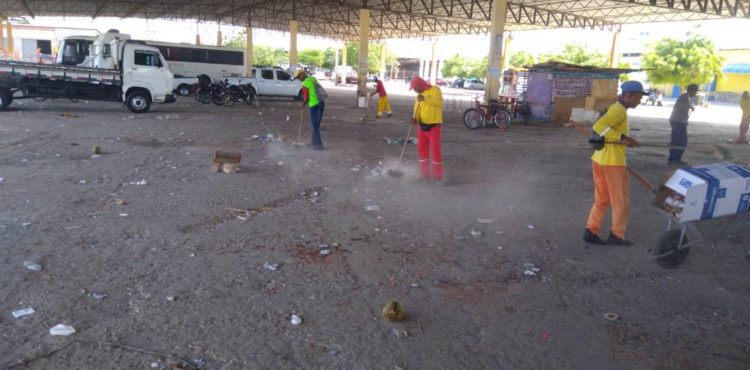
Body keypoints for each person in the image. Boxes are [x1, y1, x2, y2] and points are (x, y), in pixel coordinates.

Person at [583, 80, 644, 246]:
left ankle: (591, 230)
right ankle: (617, 235)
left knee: (602, 199)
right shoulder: (619, 110)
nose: (639, 101)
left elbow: (603, 129)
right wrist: (622, 138)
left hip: (600, 159)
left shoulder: (617, 109)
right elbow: (599, 125)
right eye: (638, 98)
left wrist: (624, 139)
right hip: (613, 163)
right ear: (628, 96)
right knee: (620, 202)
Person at [409, 76, 444, 185]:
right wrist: (415, 118)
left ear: (420, 85)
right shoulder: (418, 96)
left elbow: (438, 102)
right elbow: (417, 109)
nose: (414, 90)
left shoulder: (435, 90)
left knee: (435, 151)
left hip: (434, 126)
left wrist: (425, 98)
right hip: (422, 127)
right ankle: (424, 174)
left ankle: (438, 177)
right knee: (421, 149)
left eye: (415, 88)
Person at [668, 84, 698, 166]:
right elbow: (680, 107)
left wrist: (689, 107)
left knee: (677, 141)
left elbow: (681, 106)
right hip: (678, 121)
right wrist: (689, 107)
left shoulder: (684, 97)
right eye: (695, 91)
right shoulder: (684, 97)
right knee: (680, 141)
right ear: (691, 91)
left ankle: (674, 159)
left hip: (678, 121)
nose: (695, 94)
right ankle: (674, 159)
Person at [294, 70, 325, 150]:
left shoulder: (305, 84)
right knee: (316, 125)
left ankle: (318, 145)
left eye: (298, 77)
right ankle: (314, 142)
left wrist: (303, 104)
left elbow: (306, 98)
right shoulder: (312, 78)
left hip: (314, 105)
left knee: (314, 126)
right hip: (321, 103)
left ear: (302, 74)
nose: (298, 79)